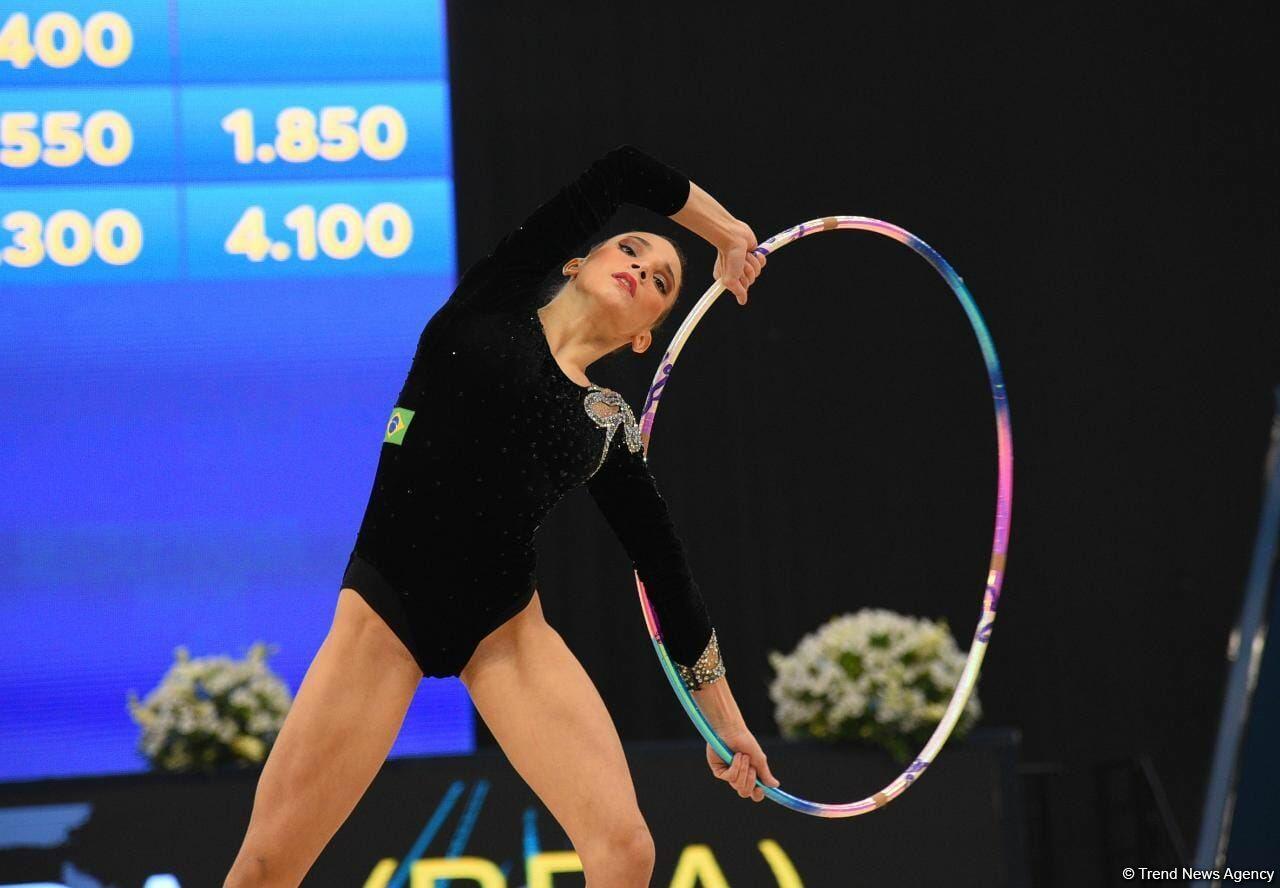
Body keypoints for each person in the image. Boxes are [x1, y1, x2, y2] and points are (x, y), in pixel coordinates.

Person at [224, 144, 777, 888]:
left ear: (645, 335)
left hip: (504, 631)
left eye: (660, 282)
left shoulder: (608, 424)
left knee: (626, 852)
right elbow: (622, 171)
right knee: (265, 867)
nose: (641, 268)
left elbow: (665, 572)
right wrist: (726, 233)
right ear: (576, 261)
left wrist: (725, 723)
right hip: (385, 610)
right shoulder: (499, 293)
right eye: (631, 248)